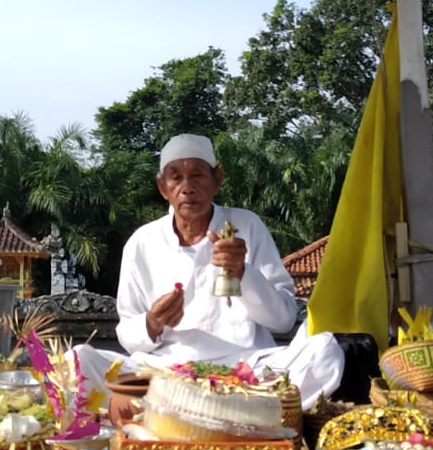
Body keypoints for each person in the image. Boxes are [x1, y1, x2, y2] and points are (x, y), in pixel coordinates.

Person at [82, 133, 344, 409]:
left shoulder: (247, 225)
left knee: (324, 351)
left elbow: (283, 319)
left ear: (216, 179)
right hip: (164, 374)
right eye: (176, 177)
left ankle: (186, 414)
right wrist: (152, 323)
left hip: (245, 374)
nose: (187, 187)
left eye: (196, 175)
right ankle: (234, 414)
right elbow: (127, 331)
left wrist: (243, 272)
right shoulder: (142, 242)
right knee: (79, 361)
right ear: (162, 187)